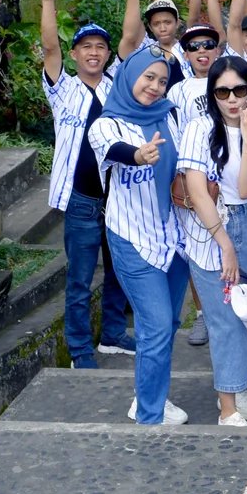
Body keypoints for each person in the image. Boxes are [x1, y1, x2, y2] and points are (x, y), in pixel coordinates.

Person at [34, 0, 132, 369]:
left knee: (118, 270)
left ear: (107, 55)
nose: (94, 52)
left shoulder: (118, 89)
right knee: (78, 280)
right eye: (86, 47)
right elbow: (49, 46)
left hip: (117, 198)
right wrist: (48, 1)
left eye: (100, 47)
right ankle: (78, 350)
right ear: (75, 54)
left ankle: (111, 334)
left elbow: (131, 38)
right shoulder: (64, 90)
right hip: (79, 201)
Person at [88, 49, 188, 425]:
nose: (155, 86)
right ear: (129, 76)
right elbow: (115, 152)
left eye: (162, 81)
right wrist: (138, 155)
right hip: (132, 237)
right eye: (148, 77)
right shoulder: (106, 124)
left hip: (176, 238)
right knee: (157, 325)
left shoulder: (171, 116)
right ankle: (149, 415)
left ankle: (150, 393)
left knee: (166, 325)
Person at [177, 57, 247, 426]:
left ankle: (240, 385)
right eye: (223, 91)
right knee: (225, 320)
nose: (232, 99)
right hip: (212, 227)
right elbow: (197, 191)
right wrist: (224, 243)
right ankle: (227, 408)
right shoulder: (199, 127)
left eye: (240, 90)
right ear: (212, 93)